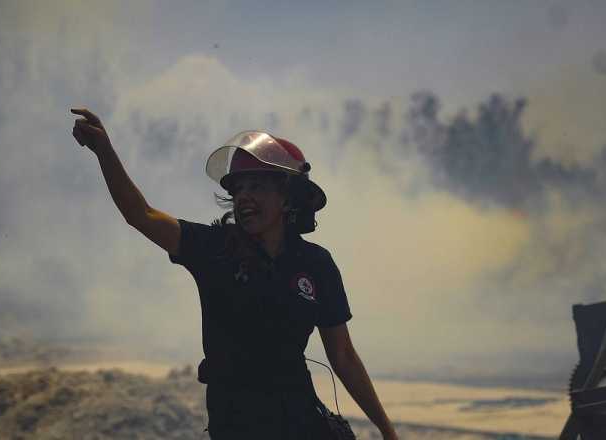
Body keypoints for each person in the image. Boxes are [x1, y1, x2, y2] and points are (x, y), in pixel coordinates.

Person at [70, 108, 398, 439]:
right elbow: (140, 214)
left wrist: (387, 430)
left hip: (300, 419)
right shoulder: (213, 249)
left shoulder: (316, 264)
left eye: (256, 186)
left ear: (287, 197)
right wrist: (104, 152)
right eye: (238, 189)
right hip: (237, 423)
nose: (244, 197)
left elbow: (342, 356)